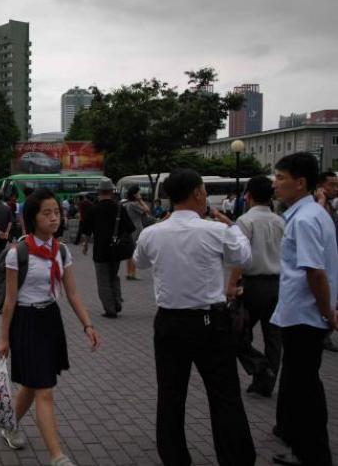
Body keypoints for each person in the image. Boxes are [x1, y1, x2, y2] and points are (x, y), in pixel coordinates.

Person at [133, 169, 255, 466]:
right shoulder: (215, 230)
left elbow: (140, 261)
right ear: (199, 193)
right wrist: (232, 226)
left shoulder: (152, 233)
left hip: (169, 324)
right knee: (224, 395)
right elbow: (245, 259)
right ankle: (235, 458)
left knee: (171, 395)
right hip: (210, 324)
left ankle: (175, 457)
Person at [0, 188, 100, 466]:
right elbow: (10, 300)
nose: (54, 218)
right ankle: (57, 456)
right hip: (26, 322)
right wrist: (3, 339)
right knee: (44, 389)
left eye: (57, 212)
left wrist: (87, 325)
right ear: (33, 217)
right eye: (47, 213)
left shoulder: (61, 251)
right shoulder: (18, 252)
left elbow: (73, 293)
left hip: (50, 320)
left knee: (31, 384)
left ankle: (9, 423)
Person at [270, 153, 338, 466]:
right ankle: (303, 449)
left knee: (306, 389)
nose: (275, 184)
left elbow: (315, 272)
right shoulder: (310, 212)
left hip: (305, 317)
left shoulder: (308, 218)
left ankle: (315, 456)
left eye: (281, 178)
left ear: (300, 183)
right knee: (302, 386)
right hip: (302, 314)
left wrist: (327, 313)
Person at [222, 176, 285, 399]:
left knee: (237, 332)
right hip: (277, 283)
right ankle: (267, 381)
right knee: (273, 336)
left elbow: (241, 255)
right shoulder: (281, 221)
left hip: (252, 284)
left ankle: (259, 366)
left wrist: (231, 284)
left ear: (248, 195)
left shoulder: (245, 221)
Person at [80, 179, 135, 318]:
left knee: (103, 279)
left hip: (100, 250)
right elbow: (130, 228)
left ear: (99, 192)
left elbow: (86, 230)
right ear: (111, 191)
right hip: (116, 250)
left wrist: (85, 245)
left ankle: (110, 309)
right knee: (113, 276)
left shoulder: (93, 209)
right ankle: (117, 302)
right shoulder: (119, 208)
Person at [316, 171, 338, 353]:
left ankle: (326, 333)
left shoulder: (332, 206)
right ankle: (323, 334)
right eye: (332, 184)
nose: (335, 188)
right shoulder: (317, 207)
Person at [124, 185, 151, 281]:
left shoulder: (127, 204)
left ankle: (129, 273)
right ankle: (132, 274)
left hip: (130, 229)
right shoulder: (134, 204)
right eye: (138, 193)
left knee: (130, 252)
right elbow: (147, 210)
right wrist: (140, 200)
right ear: (135, 194)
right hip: (136, 229)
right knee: (133, 252)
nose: (140, 194)